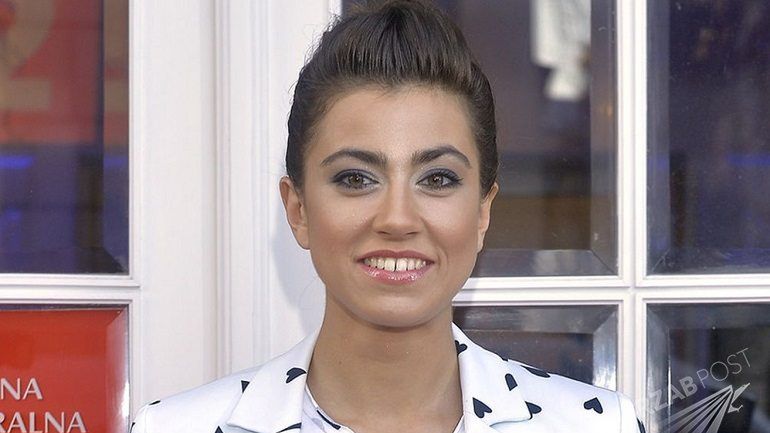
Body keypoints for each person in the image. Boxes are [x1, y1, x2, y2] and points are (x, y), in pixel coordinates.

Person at [131, 1, 644, 432]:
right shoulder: (173, 428)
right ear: (298, 209)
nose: (398, 219)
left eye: (437, 179)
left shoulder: (597, 425)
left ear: (482, 212)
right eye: (356, 178)